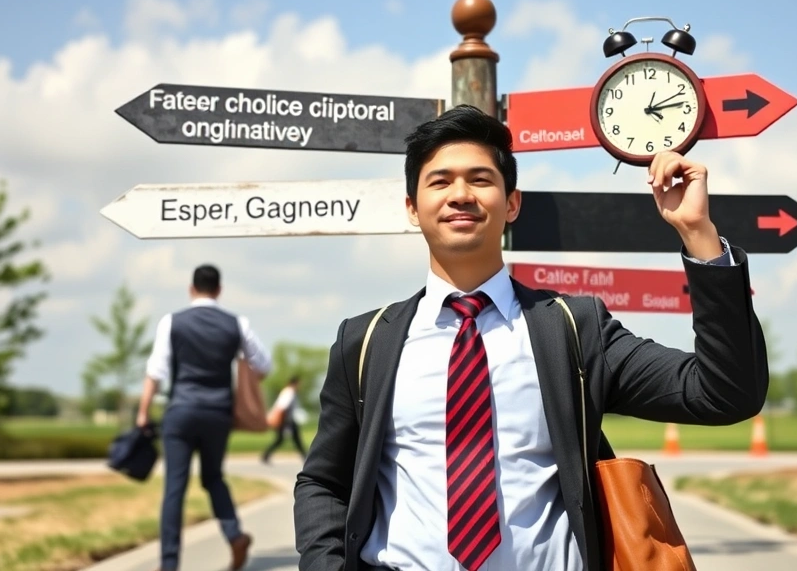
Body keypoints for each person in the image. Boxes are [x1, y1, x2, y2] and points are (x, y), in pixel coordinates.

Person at [293, 105, 768, 571]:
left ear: (512, 203)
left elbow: (724, 394)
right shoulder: (365, 342)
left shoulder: (573, 329)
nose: (461, 194)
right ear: (413, 209)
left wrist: (697, 233)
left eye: (481, 179)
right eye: (440, 181)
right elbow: (323, 482)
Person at [136, 264, 273, 571]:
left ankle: (169, 564)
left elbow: (156, 371)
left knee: (175, 487)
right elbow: (263, 364)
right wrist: (246, 383)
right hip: (218, 414)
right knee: (213, 478)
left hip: (181, 412)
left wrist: (143, 411)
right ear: (219, 290)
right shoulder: (237, 323)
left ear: (191, 289)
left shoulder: (172, 322)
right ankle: (234, 533)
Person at [262, 375, 308, 463]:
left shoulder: (288, 392)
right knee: (294, 440)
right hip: (285, 420)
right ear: (295, 383)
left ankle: (266, 455)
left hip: (286, 420)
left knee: (285, 440)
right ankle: (305, 457)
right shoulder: (289, 392)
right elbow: (283, 407)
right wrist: (285, 422)